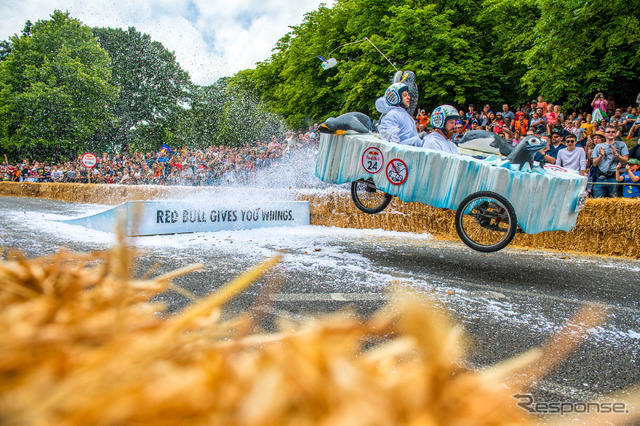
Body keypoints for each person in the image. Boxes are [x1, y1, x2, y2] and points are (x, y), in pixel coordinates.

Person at [591, 124, 629, 198]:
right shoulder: (598, 146)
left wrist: (616, 154)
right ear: (604, 134)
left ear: (615, 133)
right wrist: (601, 155)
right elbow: (594, 164)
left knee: (615, 201)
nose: (611, 133)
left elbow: (625, 160)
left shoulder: (621, 144)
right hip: (601, 178)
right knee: (597, 201)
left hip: (615, 177)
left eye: (613, 132)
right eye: (608, 132)